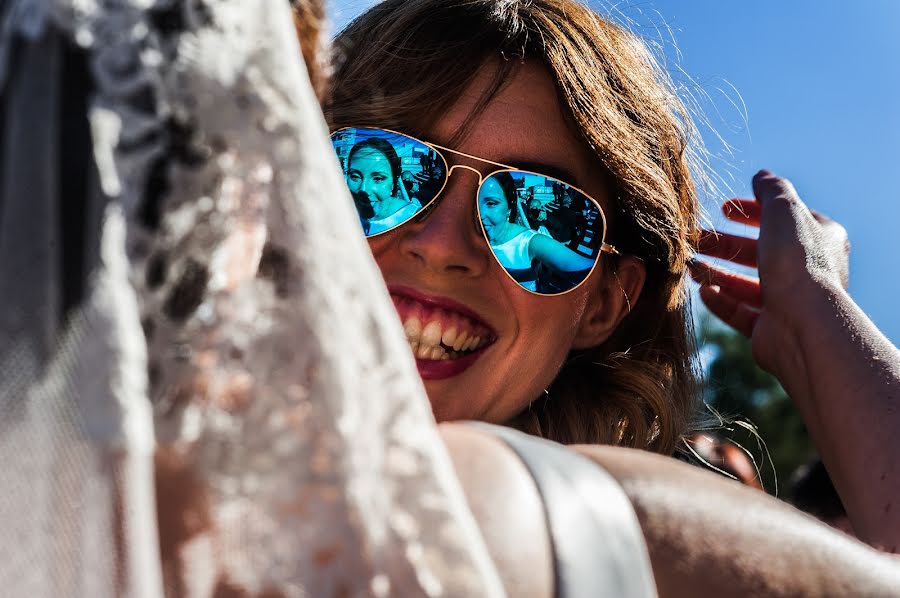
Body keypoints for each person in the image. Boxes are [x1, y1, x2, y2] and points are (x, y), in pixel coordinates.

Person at [325, 0, 900, 560]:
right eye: (380, 172)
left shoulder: (638, 553)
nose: (443, 244)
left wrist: (817, 323)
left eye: (540, 212)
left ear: (604, 304)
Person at [480, 171, 593, 292]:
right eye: (475, 203)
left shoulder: (531, 239)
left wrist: (546, 218)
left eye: (491, 203)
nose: (480, 214)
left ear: (508, 209)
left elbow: (582, 268)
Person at [345, 136, 422, 235]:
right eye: (355, 176)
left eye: (378, 178)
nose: (363, 189)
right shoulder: (339, 215)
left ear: (393, 182)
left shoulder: (414, 218)